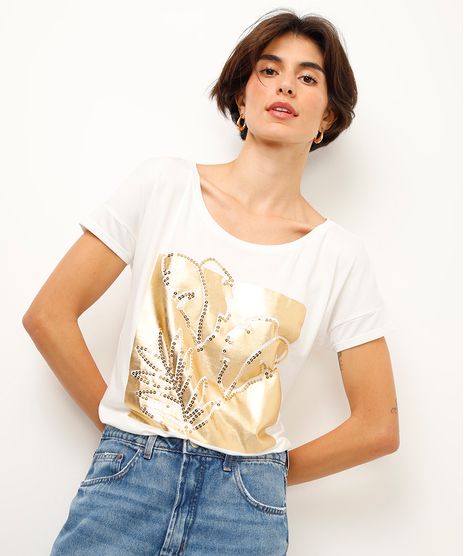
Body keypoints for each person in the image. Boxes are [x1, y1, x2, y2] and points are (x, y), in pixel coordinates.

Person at [23, 8, 399, 556]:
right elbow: (48, 315)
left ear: (328, 116)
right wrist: (121, 431)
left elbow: (377, 425)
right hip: (125, 489)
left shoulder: (338, 255)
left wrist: (261, 475)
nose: (286, 85)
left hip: (242, 515)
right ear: (241, 98)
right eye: (268, 70)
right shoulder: (164, 187)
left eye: (308, 77)